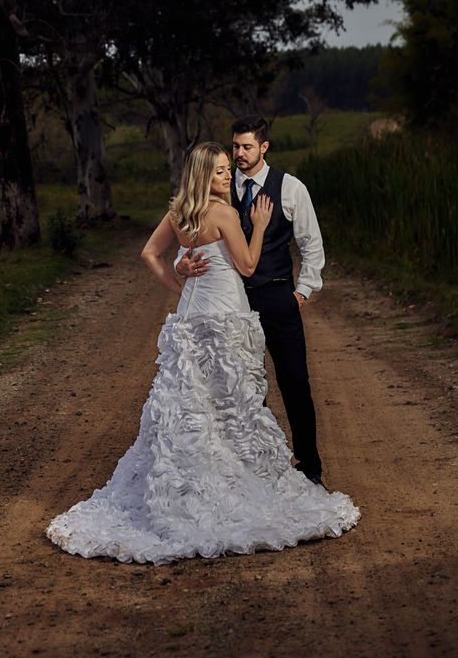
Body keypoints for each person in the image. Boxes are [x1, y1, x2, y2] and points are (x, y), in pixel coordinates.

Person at [45, 143, 358, 565]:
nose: (227, 177)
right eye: (219, 172)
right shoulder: (226, 214)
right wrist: (261, 225)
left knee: (192, 401)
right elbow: (247, 266)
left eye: (228, 170)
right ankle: (232, 483)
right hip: (226, 314)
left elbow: (149, 254)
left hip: (192, 317)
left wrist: (180, 284)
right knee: (232, 401)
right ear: (202, 176)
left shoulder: (179, 213)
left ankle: (189, 483)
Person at [175, 114, 325, 484]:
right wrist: (183, 265)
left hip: (277, 296)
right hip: (234, 302)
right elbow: (195, 237)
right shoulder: (220, 187)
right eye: (235, 147)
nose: (239, 154)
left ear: (264, 147)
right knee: (241, 387)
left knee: (294, 381)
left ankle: (310, 468)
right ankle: (252, 471)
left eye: (246, 147)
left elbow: (311, 245)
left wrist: (302, 292)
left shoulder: (290, 188)